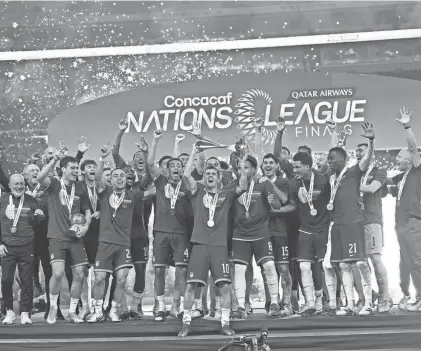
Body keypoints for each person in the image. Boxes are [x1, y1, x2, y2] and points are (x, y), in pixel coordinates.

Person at [178, 144, 248, 338]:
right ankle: (186, 323)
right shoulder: (197, 192)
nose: (209, 175)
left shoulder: (226, 194)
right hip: (199, 244)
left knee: (225, 286)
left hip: (219, 246)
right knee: (191, 286)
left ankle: (225, 323)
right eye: (207, 172)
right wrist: (193, 151)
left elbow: (243, 185)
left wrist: (242, 160)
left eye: (213, 173)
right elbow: (185, 176)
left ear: (219, 178)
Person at [88, 142, 155, 323]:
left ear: (126, 180)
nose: (119, 178)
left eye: (122, 176)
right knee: (100, 278)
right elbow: (98, 176)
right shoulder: (104, 191)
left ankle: (114, 310)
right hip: (105, 243)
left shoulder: (133, 195)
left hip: (124, 244)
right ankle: (97, 310)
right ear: (110, 180)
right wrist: (102, 158)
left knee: (122, 278)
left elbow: (156, 189)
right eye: (116, 176)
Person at [326, 121, 376, 316]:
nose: (329, 161)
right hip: (337, 225)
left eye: (332, 159)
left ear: (342, 159)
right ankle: (350, 304)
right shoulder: (331, 178)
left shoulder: (354, 171)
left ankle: (369, 303)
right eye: (329, 159)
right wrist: (333, 132)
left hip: (353, 222)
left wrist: (371, 140)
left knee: (361, 263)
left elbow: (367, 159)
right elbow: (334, 149)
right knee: (343, 264)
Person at [37, 150, 92, 324]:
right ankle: (53, 306)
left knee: (79, 274)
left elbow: (88, 211)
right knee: (58, 273)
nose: (76, 171)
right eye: (73, 168)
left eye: (77, 168)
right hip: (56, 237)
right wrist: (54, 160)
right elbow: (39, 178)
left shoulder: (81, 187)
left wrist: (86, 226)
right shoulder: (54, 184)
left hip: (76, 238)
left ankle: (72, 311)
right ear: (63, 169)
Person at [229, 154, 282, 318]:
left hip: (261, 233)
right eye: (239, 168)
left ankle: (274, 303)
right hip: (240, 234)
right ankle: (240, 306)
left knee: (269, 266)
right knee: (239, 269)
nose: (242, 171)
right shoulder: (232, 185)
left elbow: (277, 206)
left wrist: (273, 200)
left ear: (253, 169)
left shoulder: (262, 184)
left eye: (245, 168)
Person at [147, 129, 191, 322]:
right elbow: (150, 163)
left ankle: (177, 305)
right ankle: (160, 305)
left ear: (182, 170)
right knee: (159, 269)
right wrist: (155, 140)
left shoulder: (187, 185)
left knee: (181, 270)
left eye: (179, 166)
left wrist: (180, 145)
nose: (175, 168)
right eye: (171, 166)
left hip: (181, 233)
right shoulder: (160, 181)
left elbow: (185, 166)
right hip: (161, 232)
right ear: (166, 169)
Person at [287, 152, 331, 315]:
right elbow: (292, 205)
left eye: (298, 167)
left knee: (320, 266)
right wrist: (276, 209)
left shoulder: (322, 180)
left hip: (322, 228)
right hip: (304, 229)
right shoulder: (293, 184)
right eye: (293, 166)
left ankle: (321, 301)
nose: (295, 169)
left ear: (307, 166)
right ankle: (310, 303)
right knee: (304, 266)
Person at [388, 106, 421, 312]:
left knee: (417, 261)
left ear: (409, 158)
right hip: (400, 224)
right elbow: (384, 183)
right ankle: (415, 296)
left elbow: (413, 147)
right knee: (408, 263)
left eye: (399, 157)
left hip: (412, 222)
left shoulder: (417, 170)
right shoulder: (402, 177)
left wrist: (407, 126)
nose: (396, 160)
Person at [0, 174, 44, 324]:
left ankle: (25, 312)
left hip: (27, 245)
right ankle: (9, 311)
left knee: (26, 281)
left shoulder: (31, 200)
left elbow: (37, 221)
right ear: (10, 185)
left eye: (21, 184)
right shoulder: (3, 200)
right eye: (16, 184)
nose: (19, 187)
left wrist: (38, 216)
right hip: (7, 247)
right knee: (6, 280)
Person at [355, 143, 392, 313]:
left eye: (361, 151)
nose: (358, 154)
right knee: (358, 263)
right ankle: (371, 296)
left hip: (372, 221)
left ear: (371, 153)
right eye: (356, 151)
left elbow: (371, 188)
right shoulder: (355, 173)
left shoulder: (379, 171)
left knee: (375, 259)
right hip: (355, 223)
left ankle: (385, 298)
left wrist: (349, 187)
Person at [258, 153, 293, 316]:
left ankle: (286, 303)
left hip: (280, 231)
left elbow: (285, 199)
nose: (268, 165)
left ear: (277, 166)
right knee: (267, 270)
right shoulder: (257, 182)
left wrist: (270, 185)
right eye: (265, 163)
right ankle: (271, 303)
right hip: (262, 232)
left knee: (284, 268)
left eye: (271, 162)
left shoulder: (283, 181)